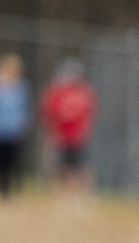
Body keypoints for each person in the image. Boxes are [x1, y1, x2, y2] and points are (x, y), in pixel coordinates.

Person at [42, 60, 98, 197]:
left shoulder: (84, 91)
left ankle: (84, 193)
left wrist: (72, 114)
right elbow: (49, 110)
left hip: (78, 137)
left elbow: (89, 111)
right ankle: (62, 193)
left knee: (81, 166)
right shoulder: (57, 91)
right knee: (60, 166)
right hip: (61, 136)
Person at [0, 54, 31, 198]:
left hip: (13, 131)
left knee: (10, 163)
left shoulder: (21, 88)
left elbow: (24, 108)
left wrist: (21, 126)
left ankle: (7, 190)